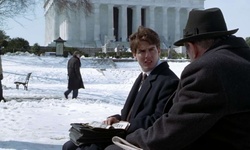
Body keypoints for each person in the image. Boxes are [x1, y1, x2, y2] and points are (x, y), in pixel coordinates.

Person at [106, 7, 250, 150]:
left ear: (192, 47)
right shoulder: (242, 58)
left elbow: (170, 133)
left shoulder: (208, 69)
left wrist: (126, 137)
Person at [62, 26, 179, 150]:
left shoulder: (169, 81)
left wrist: (125, 125)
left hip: (140, 140)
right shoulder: (144, 76)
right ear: (134, 54)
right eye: (142, 51)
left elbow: (159, 121)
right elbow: (130, 113)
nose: (147, 56)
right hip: (125, 134)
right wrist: (116, 119)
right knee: (70, 146)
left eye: (151, 50)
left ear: (159, 50)